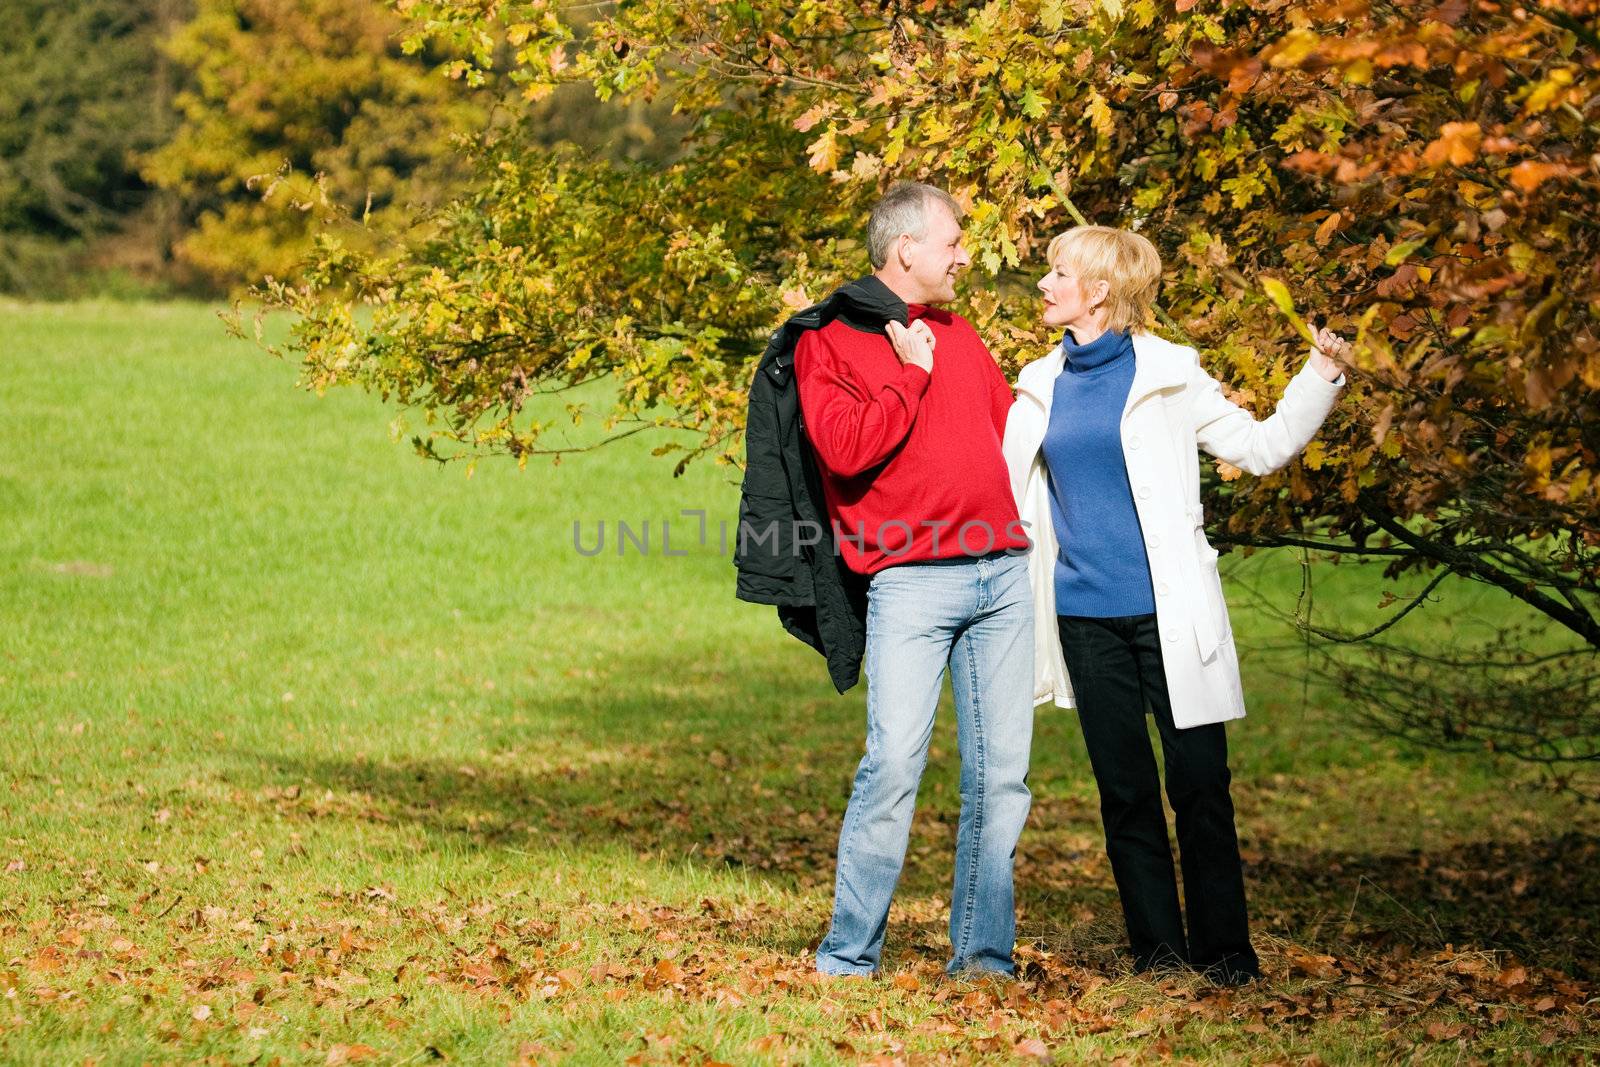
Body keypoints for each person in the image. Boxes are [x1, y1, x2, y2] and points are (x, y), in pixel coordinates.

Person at [997, 224, 1348, 984]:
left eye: (1059, 272)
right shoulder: (1035, 383)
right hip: (1084, 621)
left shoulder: (1170, 373)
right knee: (1124, 792)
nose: (1045, 283)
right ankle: (1157, 953)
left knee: (1200, 786)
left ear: (1099, 289)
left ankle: (1226, 953)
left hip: (1171, 616)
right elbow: (1007, 495)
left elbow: (1260, 448)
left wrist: (1319, 373)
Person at [793, 182, 1035, 978]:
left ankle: (983, 960)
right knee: (893, 766)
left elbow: (1012, 436)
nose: (966, 254)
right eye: (954, 241)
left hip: (1001, 577)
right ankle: (848, 956)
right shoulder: (827, 339)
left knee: (1001, 778)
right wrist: (908, 375)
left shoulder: (960, 333)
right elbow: (845, 449)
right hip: (910, 582)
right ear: (907, 251)